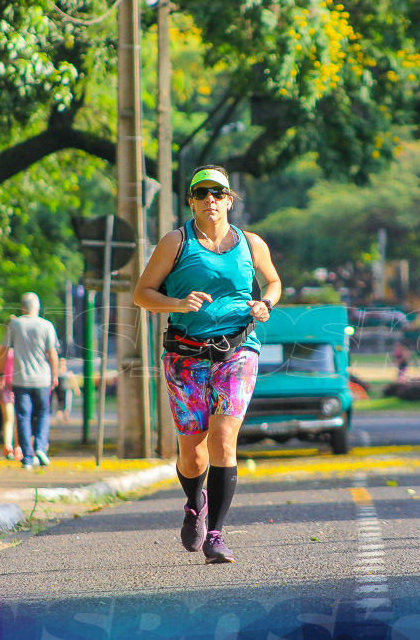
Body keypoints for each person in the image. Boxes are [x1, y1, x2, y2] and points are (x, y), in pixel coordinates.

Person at [133, 164, 281, 565]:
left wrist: (264, 305)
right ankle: (194, 502)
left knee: (222, 439)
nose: (210, 200)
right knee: (193, 455)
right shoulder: (175, 242)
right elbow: (142, 294)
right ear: (192, 202)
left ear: (230, 199)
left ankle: (216, 533)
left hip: (238, 349)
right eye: (202, 194)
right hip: (185, 354)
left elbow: (273, 282)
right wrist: (178, 304)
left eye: (218, 193)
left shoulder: (250, 243)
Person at [0, 293, 60, 470]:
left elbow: (3, 349)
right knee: (43, 413)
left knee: (23, 416)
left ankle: (27, 458)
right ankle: (40, 448)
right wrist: (55, 375)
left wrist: (0, 372)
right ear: (37, 307)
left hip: (20, 379)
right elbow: (52, 354)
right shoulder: (47, 325)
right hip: (42, 379)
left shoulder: (15, 325)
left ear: (22, 307)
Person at [0, 341, 21, 461]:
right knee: (18, 418)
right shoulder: (22, 348)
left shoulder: (2, 349)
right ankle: (16, 447)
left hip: (7, 387)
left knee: (8, 419)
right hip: (19, 386)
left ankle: (8, 445)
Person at [51, 358, 81, 423]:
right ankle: (59, 417)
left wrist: (76, 388)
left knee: (67, 403)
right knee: (59, 403)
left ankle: (66, 416)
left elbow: (73, 380)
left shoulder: (67, 372)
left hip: (67, 389)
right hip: (59, 390)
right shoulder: (57, 372)